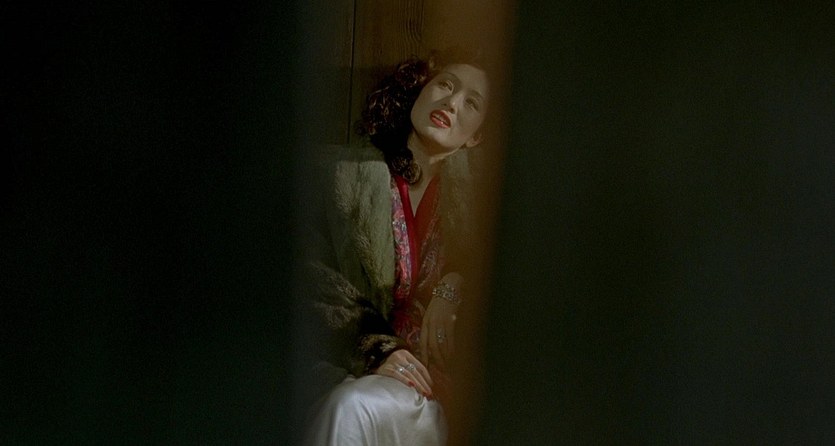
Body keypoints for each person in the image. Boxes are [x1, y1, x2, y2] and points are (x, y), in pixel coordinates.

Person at [299, 49, 490, 445]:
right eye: (445, 84)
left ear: (476, 136)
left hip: (436, 389)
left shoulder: (487, 206)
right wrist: (377, 349)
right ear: (419, 90)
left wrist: (455, 283)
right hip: (349, 371)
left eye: (471, 103)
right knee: (347, 403)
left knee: (354, 405)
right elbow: (309, 277)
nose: (451, 103)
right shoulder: (339, 177)